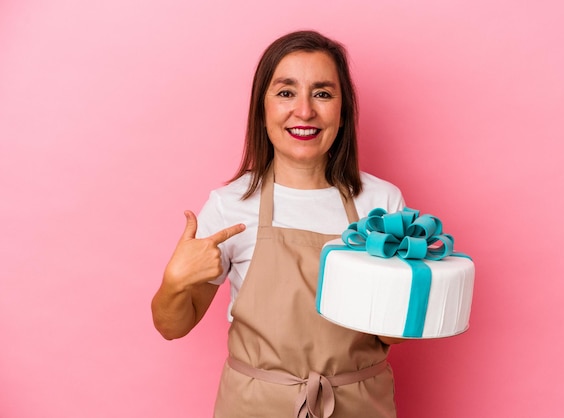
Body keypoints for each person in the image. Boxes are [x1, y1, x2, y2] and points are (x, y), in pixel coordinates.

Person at [151, 30, 407, 418]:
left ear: (343, 110)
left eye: (322, 93)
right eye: (286, 92)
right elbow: (173, 326)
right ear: (262, 108)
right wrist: (174, 283)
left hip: (359, 406)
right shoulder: (230, 205)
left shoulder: (382, 204)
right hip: (255, 407)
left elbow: (393, 336)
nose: (304, 111)